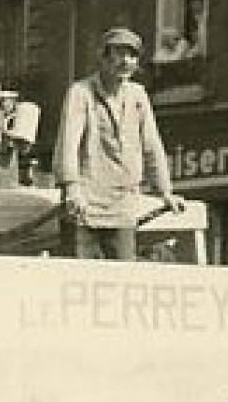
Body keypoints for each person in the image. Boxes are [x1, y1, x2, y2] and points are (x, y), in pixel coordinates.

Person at [53, 27, 183, 261]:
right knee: (80, 282)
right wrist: (71, 187)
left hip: (122, 208)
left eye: (132, 56)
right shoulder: (81, 93)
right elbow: (68, 144)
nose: (126, 61)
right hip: (85, 208)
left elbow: (152, 146)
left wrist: (165, 191)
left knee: (122, 277)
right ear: (103, 57)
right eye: (119, 54)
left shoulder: (138, 96)